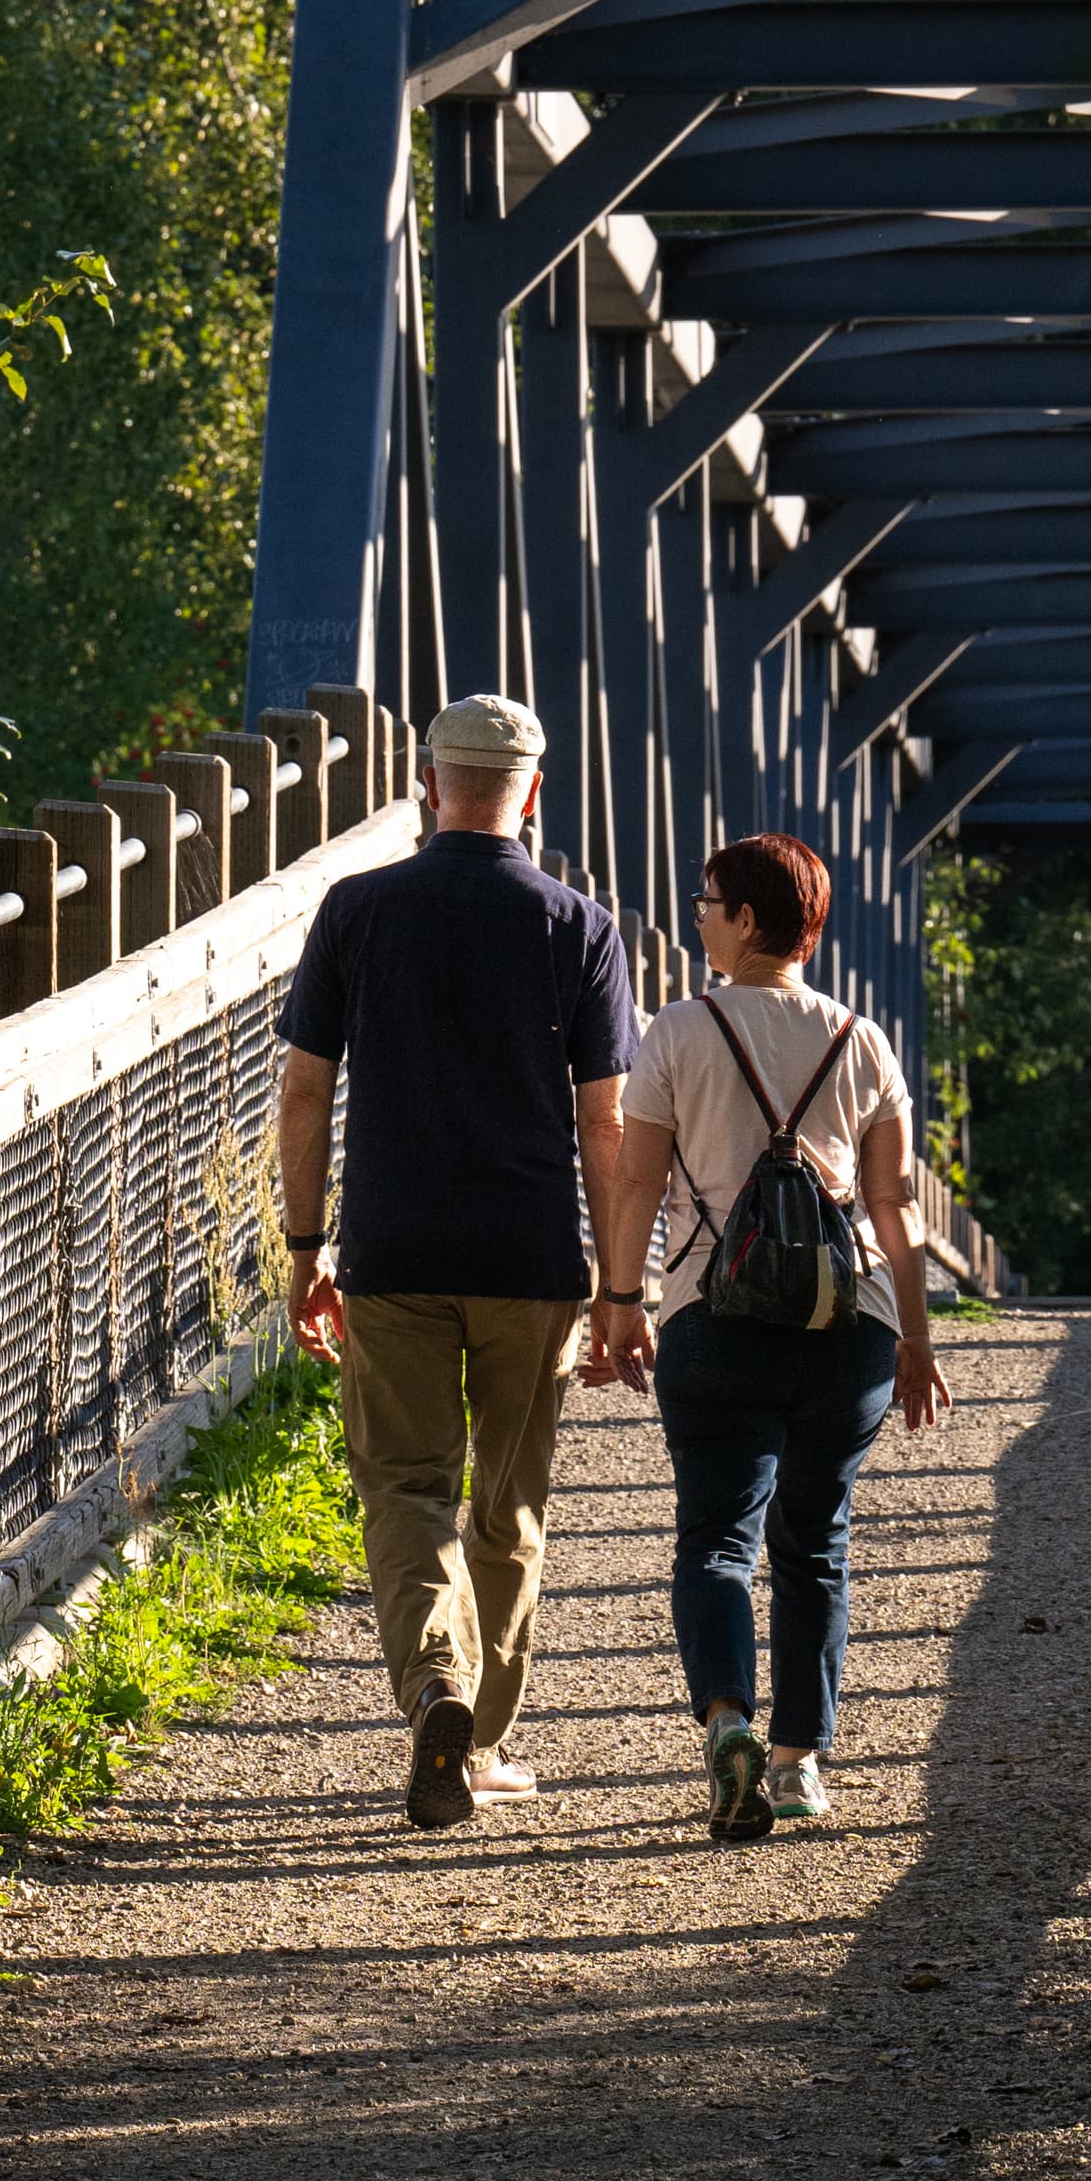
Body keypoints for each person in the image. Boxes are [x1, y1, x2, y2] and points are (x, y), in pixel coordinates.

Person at [276, 691, 638, 1829]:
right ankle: (478, 1743)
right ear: (533, 792)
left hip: (392, 1248)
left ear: (428, 784)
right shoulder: (579, 926)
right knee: (508, 1502)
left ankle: (435, 1679)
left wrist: (303, 1245)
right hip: (531, 1257)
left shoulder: (356, 908)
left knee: (406, 1485)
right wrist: (618, 1281)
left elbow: (302, 1087)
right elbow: (606, 1126)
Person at [588, 831, 942, 1842]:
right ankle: (798, 1766)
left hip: (714, 1319)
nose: (696, 914)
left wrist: (620, 1303)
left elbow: (638, 1183)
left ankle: (729, 1721)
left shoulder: (678, 1034)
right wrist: (913, 1340)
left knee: (715, 1538)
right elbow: (893, 1210)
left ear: (746, 920)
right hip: (849, 1329)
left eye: (706, 901)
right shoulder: (861, 1041)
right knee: (815, 1542)